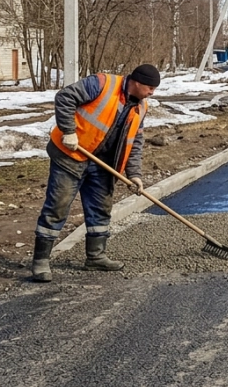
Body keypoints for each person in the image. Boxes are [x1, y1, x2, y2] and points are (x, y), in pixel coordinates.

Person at [29, 64, 160, 282]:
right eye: (150, 88)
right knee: (58, 206)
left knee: (101, 210)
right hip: (70, 157)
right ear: (137, 83)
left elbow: (135, 142)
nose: (152, 93)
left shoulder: (141, 107)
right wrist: (68, 131)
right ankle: (41, 261)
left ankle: (96, 257)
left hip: (103, 164)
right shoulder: (102, 84)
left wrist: (134, 174)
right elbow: (64, 97)